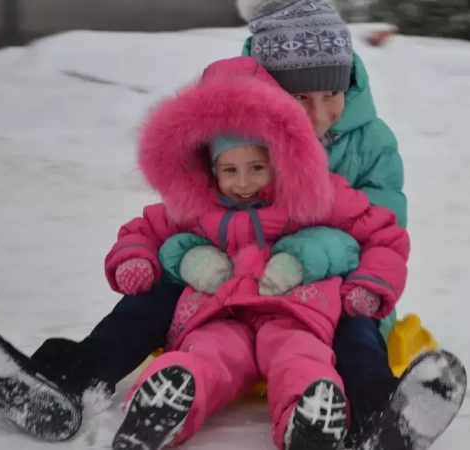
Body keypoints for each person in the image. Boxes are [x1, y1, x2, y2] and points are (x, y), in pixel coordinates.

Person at [0, 0, 467, 448]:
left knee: (357, 337)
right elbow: (180, 213)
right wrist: (169, 257)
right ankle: (64, 382)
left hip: (323, 284)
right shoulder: (237, 135)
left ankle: (379, 414)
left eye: (333, 92)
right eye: (299, 98)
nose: (321, 111)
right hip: (223, 279)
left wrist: (310, 257)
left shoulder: (371, 143)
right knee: (145, 307)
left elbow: (381, 226)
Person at [104, 55, 409, 450]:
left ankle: (310, 418)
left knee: (300, 356)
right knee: (210, 355)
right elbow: (143, 230)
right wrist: (134, 258)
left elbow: (383, 233)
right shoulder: (196, 204)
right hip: (219, 310)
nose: (243, 182)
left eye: (256, 167)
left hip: (294, 309)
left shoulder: (311, 193)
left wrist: (370, 283)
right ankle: (164, 404)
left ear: (278, 159)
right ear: (212, 169)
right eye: (229, 170)